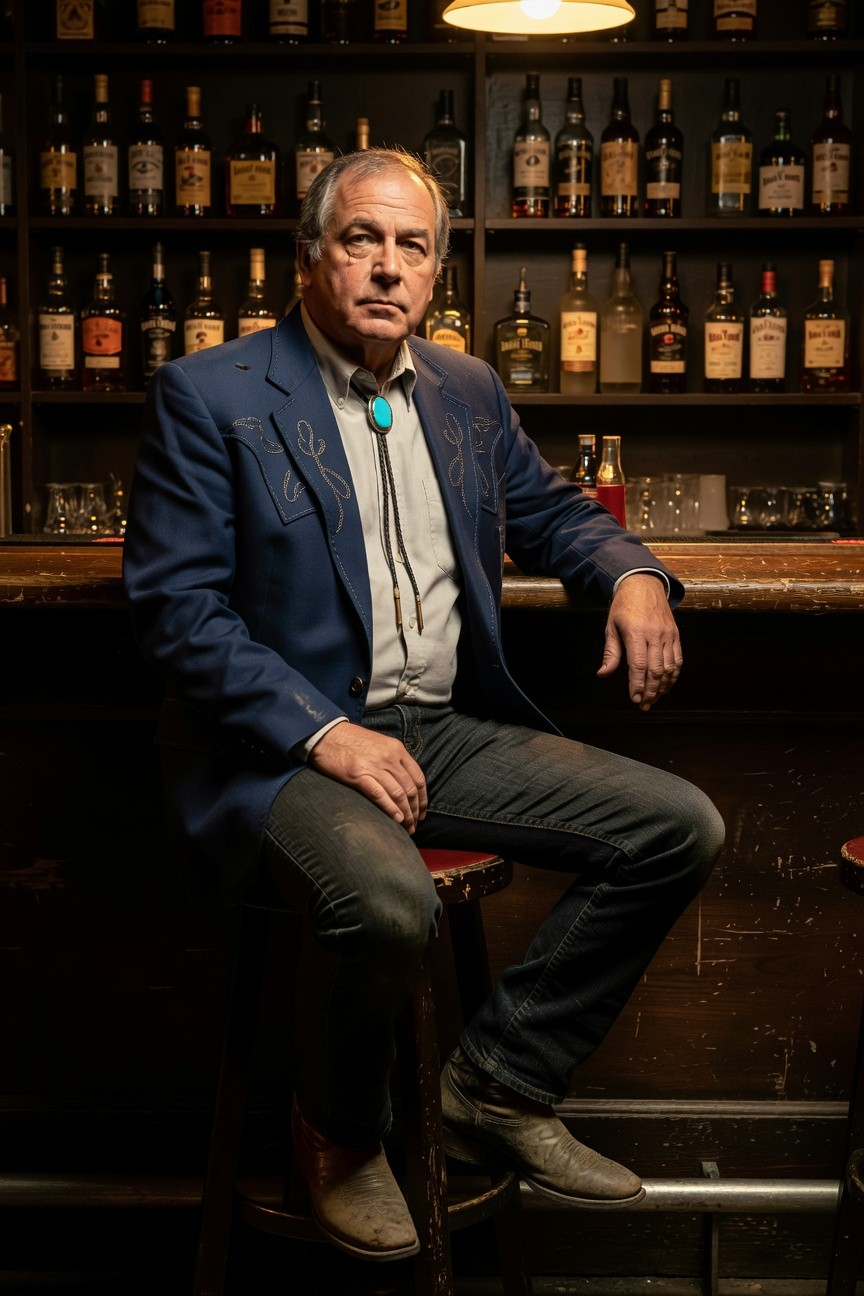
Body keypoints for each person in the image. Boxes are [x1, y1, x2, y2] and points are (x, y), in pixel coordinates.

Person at [123, 148, 725, 1264]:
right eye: (362, 239)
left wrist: (636, 574)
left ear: (438, 268)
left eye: (412, 246)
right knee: (392, 905)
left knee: (677, 826)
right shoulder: (208, 395)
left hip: (438, 729)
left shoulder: (465, 388)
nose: (388, 269)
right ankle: (342, 1138)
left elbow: (552, 512)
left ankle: (497, 1084)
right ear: (309, 255)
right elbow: (176, 611)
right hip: (276, 750)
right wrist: (325, 730)